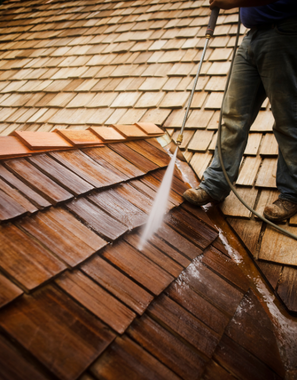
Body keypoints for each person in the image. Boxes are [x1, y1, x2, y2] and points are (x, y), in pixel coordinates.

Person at [183, 0, 297, 222]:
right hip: (252, 37)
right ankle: (215, 185)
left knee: (288, 119)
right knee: (232, 116)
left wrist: (231, 2)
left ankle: (292, 194)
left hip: (284, 33)